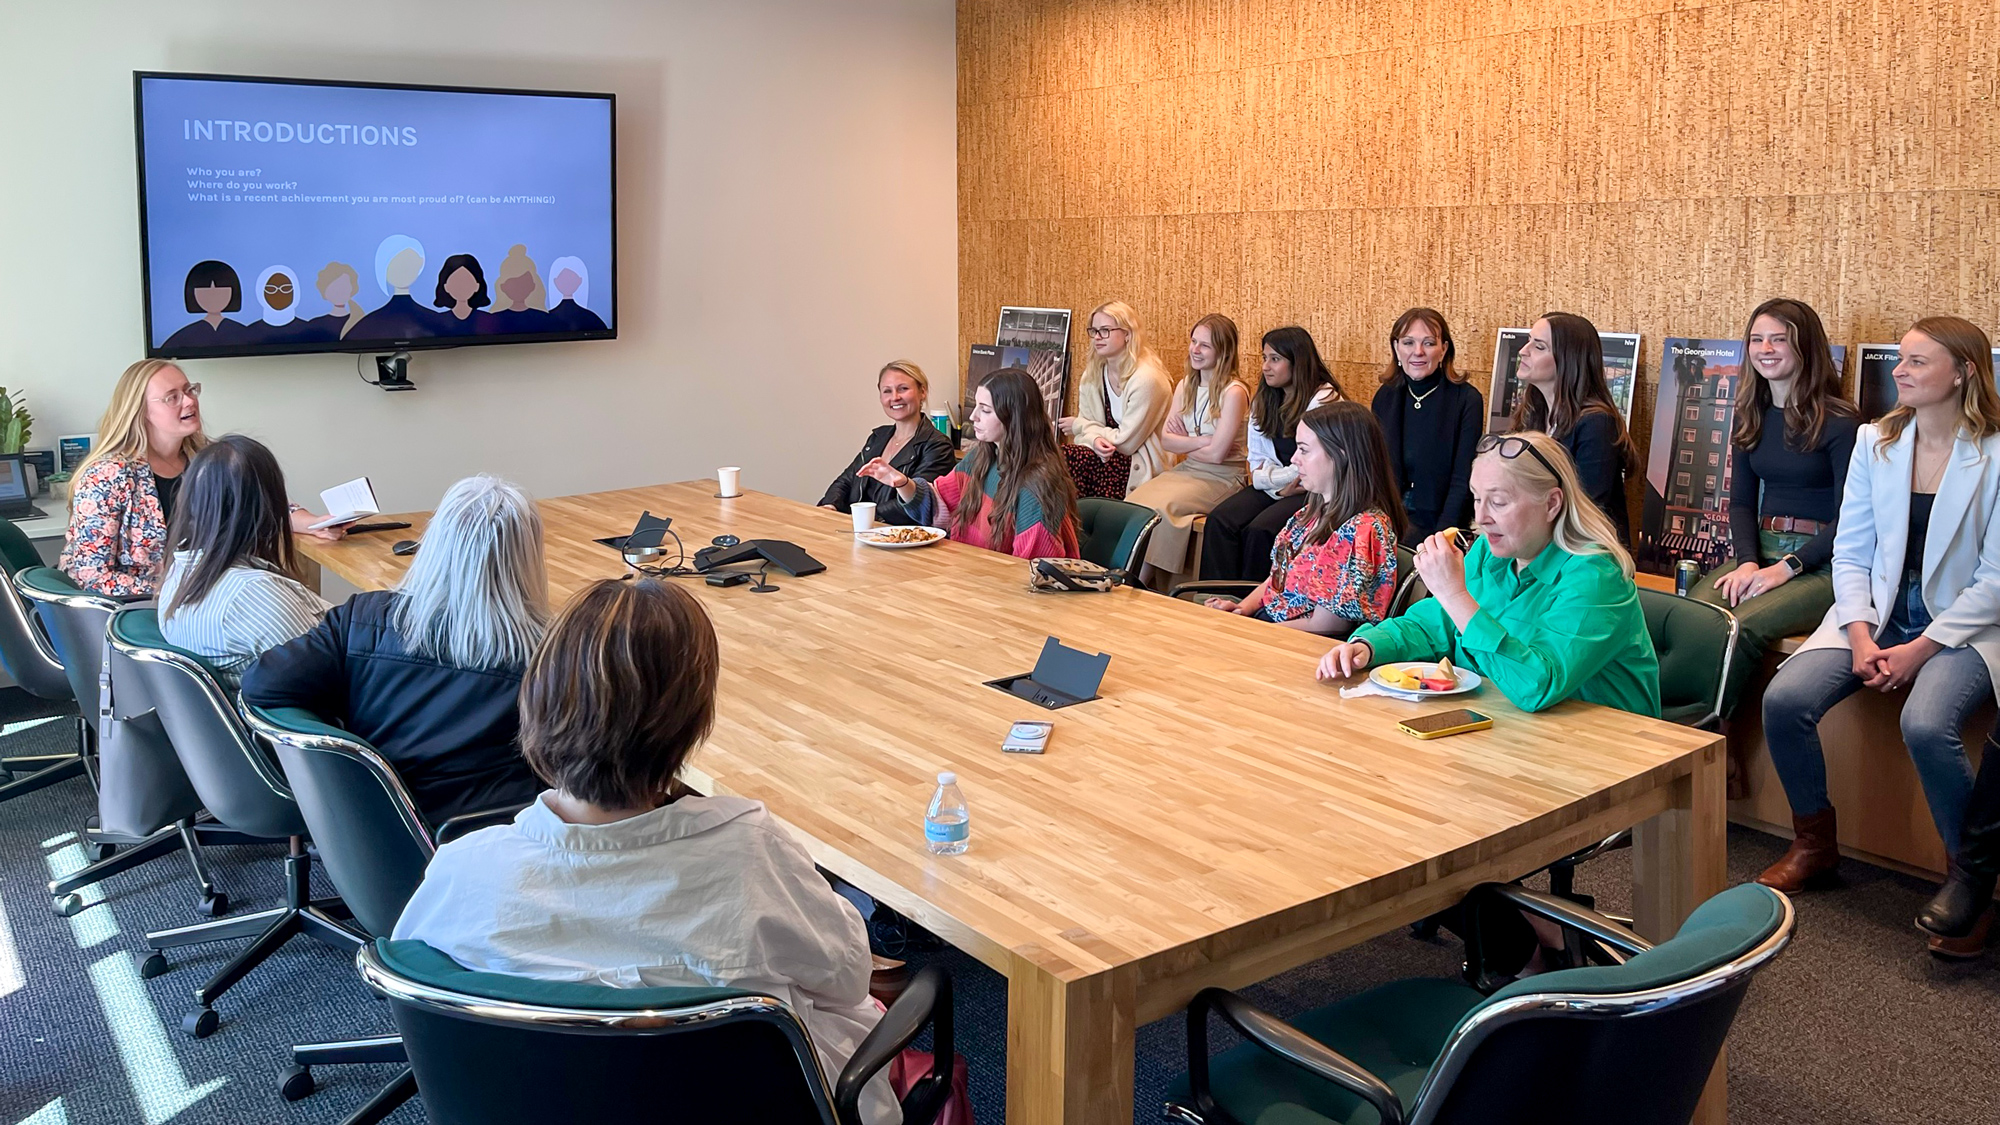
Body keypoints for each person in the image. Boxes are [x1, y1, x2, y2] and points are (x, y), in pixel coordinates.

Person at [391, 577, 901, 1124]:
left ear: (536, 697)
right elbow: (846, 976)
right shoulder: (749, 854)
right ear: (693, 719)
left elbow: (413, 987)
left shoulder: (462, 871)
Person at [1754, 317, 2000, 898]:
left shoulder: (1994, 453)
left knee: (1926, 722)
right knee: (1785, 699)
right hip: (1876, 611)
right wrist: (1861, 634)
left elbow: (1995, 579)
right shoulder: (1877, 441)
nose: (1899, 370)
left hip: (1964, 624)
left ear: (1964, 372)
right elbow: (1851, 550)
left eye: (1918, 361)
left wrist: (1920, 648)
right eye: (1901, 358)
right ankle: (1814, 845)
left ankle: (1970, 878)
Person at [243, 474, 549, 826]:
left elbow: (261, 684)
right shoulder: (545, 657)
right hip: (484, 846)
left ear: (434, 541)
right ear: (528, 555)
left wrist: (349, 714)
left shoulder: (361, 619)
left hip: (371, 828)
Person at [1318, 430, 1659, 718]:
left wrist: (1455, 595)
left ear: (1552, 504)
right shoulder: (1488, 553)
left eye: (1498, 502)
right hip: (1516, 734)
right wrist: (1370, 646)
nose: (1481, 517)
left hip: (1609, 752)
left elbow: (1537, 686)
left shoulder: (1595, 575)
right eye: (1476, 499)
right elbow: (1433, 626)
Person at [1687, 299, 1860, 722]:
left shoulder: (1844, 421)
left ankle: (1713, 741)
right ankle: (1684, 731)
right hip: (1761, 550)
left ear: (1806, 349)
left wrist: (1788, 567)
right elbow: (1742, 503)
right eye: (1757, 339)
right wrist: (1748, 562)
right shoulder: (1751, 415)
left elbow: (1852, 521)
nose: (1766, 348)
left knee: (1740, 627)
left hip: (1824, 563)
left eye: (1779, 339)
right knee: (1693, 616)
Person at [62, 360, 339, 597]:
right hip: (135, 612)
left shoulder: (206, 457)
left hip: (201, 596)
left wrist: (316, 523)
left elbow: (262, 504)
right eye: (172, 397)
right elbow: (93, 577)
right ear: (140, 411)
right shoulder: (108, 475)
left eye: (189, 390)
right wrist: (175, 592)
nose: (189, 401)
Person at [1204, 401, 1402, 635]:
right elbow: (1277, 581)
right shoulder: (1311, 513)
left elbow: (1326, 627)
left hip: (1305, 644)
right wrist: (1242, 609)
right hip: (1274, 628)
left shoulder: (1362, 530)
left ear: (1341, 454)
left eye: (1304, 450)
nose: (1294, 459)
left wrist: (1253, 631)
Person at [157, 436, 329, 690]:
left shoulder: (181, 569)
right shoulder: (253, 594)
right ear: (268, 505)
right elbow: (327, 676)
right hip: (322, 719)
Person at [861, 367, 1080, 559]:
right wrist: (902, 483)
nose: (973, 416)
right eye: (976, 406)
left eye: (985, 410)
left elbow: (1030, 569)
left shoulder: (1037, 484)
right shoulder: (980, 458)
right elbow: (938, 506)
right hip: (970, 579)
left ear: (1013, 417)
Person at [1200, 325, 1343, 581]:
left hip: (1313, 489)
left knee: (1261, 529)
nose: (1265, 366)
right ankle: (1214, 599)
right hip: (1278, 486)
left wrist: (1270, 481)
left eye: (1275, 359)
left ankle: (1252, 608)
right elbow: (1255, 466)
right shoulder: (1263, 400)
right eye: (1265, 358)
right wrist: (1276, 487)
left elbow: (1309, 469)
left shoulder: (1324, 399)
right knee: (1220, 521)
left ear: (1297, 362)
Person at [1125, 314, 1252, 585]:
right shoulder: (1186, 385)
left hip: (1222, 476)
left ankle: (1139, 582)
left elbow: (1218, 456)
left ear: (1224, 351)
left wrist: (1189, 442)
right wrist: (1203, 441)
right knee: (1136, 502)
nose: (1195, 349)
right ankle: (1131, 574)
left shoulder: (1234, 392)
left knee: (1161, 507)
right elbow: (1167, 440)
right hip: (1188, 469)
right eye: (1194, 341)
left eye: (1205, 345)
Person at [1509, 312, 1639, 544]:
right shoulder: (1533, 415)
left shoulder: (1597, 424)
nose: (1523, 350)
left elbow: (1586, 509)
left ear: (1568, 360)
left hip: (1587, 559)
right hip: (1543, 549)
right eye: (1529, 340)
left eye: (1538, 347)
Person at [1370, 308, 1482, 540]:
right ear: (1396, 349)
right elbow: (1376, 470)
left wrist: (1443, 535)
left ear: (1444, 350)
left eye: (1429, 343)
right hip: (1389, 513)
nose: (1418, 352)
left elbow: (1463, 478)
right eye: (1408, 343)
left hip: (1439, 518)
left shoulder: (1467, 399)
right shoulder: (1385, 396)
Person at [1057, 300, 1174, 499]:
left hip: (1137, 463)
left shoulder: (1147, 379)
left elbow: (1126, 443)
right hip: (1102, 457)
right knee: (1056, 457)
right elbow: (1085, 436)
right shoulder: (1092, 375)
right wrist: (1093, 438)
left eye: (1106, 330)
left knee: (1068, 458)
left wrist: (1079, 425)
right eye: (1094, 331)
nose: (1097, 337)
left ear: (1127, 334)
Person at [819, 361, 956, 524]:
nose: (895, 397)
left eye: (903, 389)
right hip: (858, 528)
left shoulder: (937, 445)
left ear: (922, 392)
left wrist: (863, 518)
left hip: (897, 538)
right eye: (887, 391)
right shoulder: (878, 437)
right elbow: (847, 480)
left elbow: (917, 502)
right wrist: (830, 506)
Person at [350, 234, 442, 341]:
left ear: (420, 263)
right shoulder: (368, 324)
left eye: (408, 262)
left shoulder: (434, 321)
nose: (402, 269)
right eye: (394, 264)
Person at [160, 260, 254, 351]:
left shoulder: (245, 333)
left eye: (221, 290)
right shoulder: (182, 337)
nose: (213, 295)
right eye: (204, 290)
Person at [488, 245, 554, 334]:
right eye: (513, 282)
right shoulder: (493, 320)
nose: (518, 287)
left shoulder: (544, 318)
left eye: (523, 281)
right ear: (503, 286)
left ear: (533, 285)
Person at [294, 262, 367, 342]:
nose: (340, 291)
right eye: (334, 287)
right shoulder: (314, 325)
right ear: (324, 290)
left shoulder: (362, 322)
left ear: (352, 288)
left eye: (344, 286)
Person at [433, 253, 495, 335]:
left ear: (477, 286)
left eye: (467, 281)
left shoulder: (488, 319)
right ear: (446, 286)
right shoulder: (438, 321)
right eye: (456, 282)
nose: (461, 286)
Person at [544, 256, 609, 332]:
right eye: (563, 278)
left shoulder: (592, 319)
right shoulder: (592, 318)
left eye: (571, 278)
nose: (567, 282)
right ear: (555, 281)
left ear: (580, 281)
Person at [244, 264, 302, 344]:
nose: (279, 293)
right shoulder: (247, 333)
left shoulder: (311, 330)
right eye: (271, 289)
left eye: (285, 288)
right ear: (261, 292)